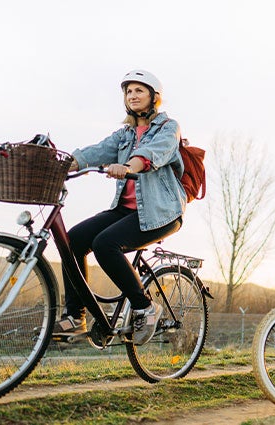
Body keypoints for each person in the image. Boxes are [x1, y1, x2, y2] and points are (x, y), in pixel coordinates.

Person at [55, 69, 186, 345]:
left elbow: (152, 154)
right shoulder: (125, 134)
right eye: (128, 91)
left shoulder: (168, 128)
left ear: (154, 97)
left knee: (105, 244)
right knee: (73, 240)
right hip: (125, 210)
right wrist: (63, 164)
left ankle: (145, 307)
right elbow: (97, 151)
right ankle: (74, 315)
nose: (132, 95)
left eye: (139, 90)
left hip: (160, 212)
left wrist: (128, 167)